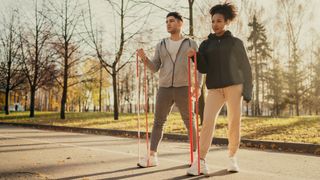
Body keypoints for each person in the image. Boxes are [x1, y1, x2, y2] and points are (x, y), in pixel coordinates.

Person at [186, 3, 253, 175]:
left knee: (234, 122)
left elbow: (246, 68)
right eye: (213, 21)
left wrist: (247, 91)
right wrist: (195, 57)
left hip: (234, 86)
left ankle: (232, 157)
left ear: (227, 22)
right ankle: (200, 161)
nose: (215, 24)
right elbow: (204, 68)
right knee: (207, 121)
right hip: (214, 89)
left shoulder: (236, 43)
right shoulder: (206, 44)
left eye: (219, 21)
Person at [136, 11, 202, 168]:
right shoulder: (161, 44)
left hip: (184, 87)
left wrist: (197, 86)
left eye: (171, 21)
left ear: (180, 23)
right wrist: (144, 59)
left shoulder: (191, 43)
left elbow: (199, 66)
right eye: (166, 21)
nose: (168, 24)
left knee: (189, 121)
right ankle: (152, 156)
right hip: (164, 88)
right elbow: (155, 67)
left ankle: (196, 156)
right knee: (158, 122)